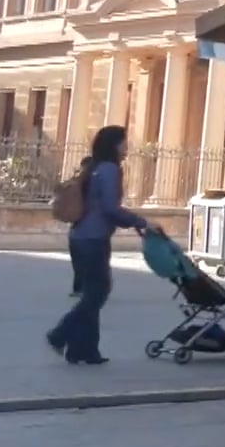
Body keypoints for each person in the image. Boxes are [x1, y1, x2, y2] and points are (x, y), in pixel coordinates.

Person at [47, 127, 154, 364]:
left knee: (91, 293)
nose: (127, 147)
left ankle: (83, 350)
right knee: (98, 292)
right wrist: (140, 221)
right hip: (94, 238)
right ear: (114, 145)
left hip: (79, 236)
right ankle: (60, 334)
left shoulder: (93, 167)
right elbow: (110, 207)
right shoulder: (110, 169)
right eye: (124, 142)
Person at [68, 157, 93, 297]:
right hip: (89, 228)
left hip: (76, 227)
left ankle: (78, 288)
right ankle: (86, 287)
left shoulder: (76, 181)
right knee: (88, 260)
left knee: (78, 261)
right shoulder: (94, 182)